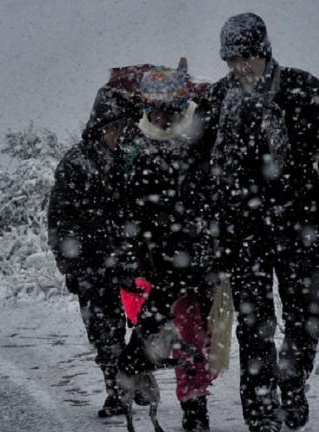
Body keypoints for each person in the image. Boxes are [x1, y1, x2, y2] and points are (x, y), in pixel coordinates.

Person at [196, 13, 319, 432]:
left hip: (299, 223)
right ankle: (260, 413)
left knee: (307, 316)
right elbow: (195, 171)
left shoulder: (301, 89)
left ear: (265, 51)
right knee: (255, 327)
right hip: (241, 231)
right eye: (232, 60)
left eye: (247, 58)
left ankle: (292, 378)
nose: (240, 68)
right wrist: (202, 228)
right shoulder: (218, 101)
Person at [115, 65, 217, 432]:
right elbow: (130, 209)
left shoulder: (200, 145)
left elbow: (212, 201)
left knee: (193, 336)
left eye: (167, 110)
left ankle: (194, 407)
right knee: (159, 333)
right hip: (155, 263)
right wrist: (131, 252)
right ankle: (144, 384)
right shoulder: (137, 150)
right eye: (154, 110)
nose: (160, 117)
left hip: (196, 260)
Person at [46, 85, 144, 418]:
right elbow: (61, 217)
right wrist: (71, 264)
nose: (118, 134)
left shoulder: (134, 158)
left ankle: (136, 373)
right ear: (99, 125)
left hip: (132, 258)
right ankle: (117, 390)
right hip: (91, 262)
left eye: (123, 128)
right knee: (104, 329)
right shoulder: (76, 162)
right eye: (113, 127)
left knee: (146, 321)